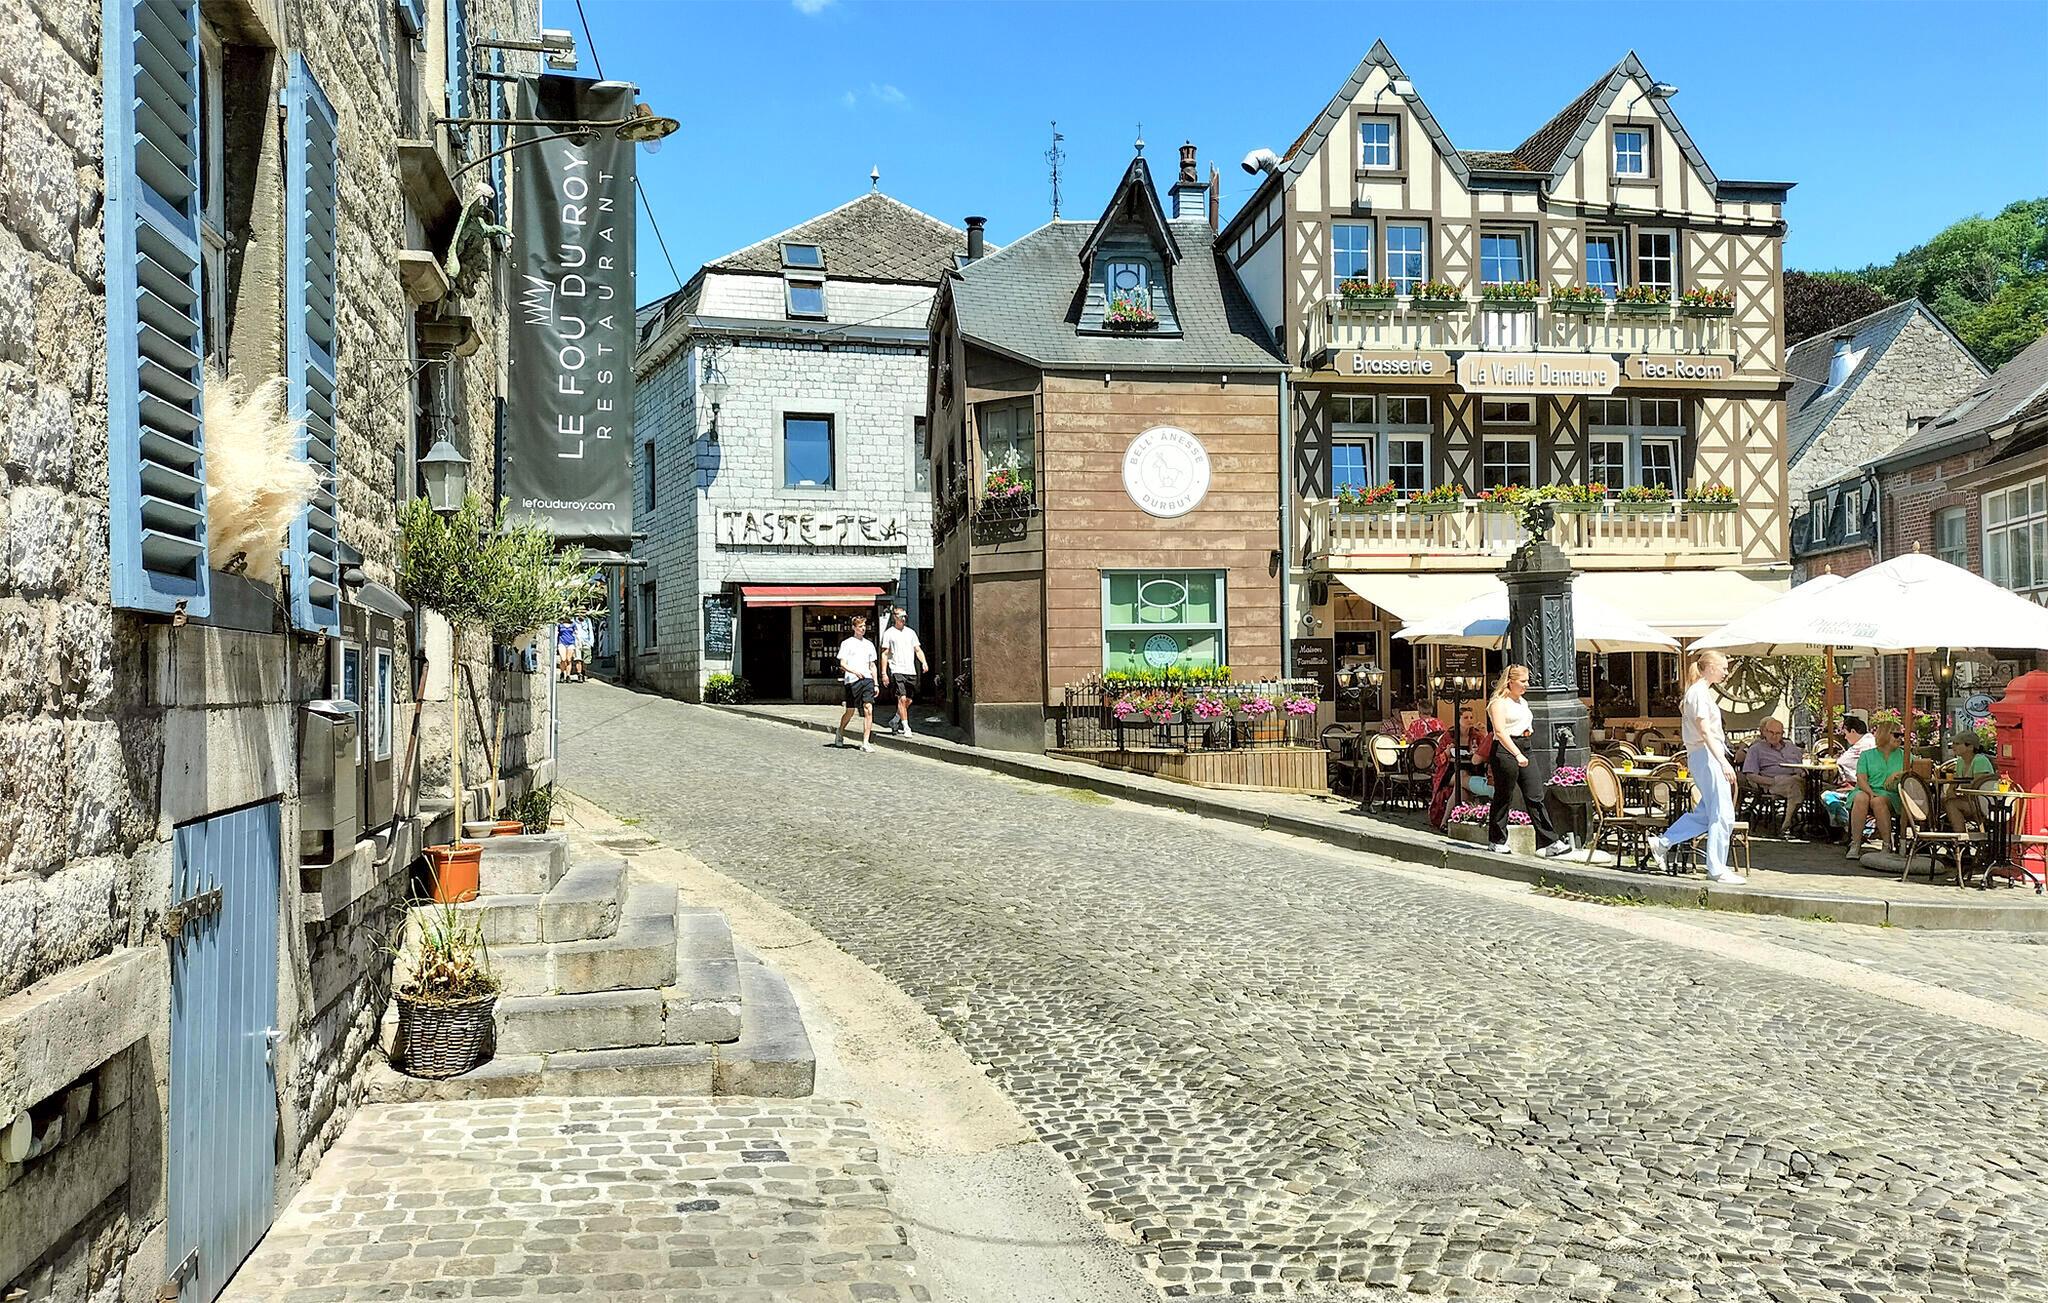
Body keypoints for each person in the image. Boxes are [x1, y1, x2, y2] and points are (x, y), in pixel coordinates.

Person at [1648, 650, 1743, 885]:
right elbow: (1704, 730)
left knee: (1706, 813)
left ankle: (1663, 842)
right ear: (1710, 667)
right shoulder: (1699, 692)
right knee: (1722, 812)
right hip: (1707, 755)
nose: (1726, 672)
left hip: (1703, 755)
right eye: (1723, 667)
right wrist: (1722, 760)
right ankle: (1717, 868)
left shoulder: (1698, 692)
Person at [1484, 665, 1573, 858]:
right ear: (1510, 682)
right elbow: (1500, 731)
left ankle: (1549, 842)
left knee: (1535, 794)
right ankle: (1496, 840)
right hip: (1506, 749)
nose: (1527, 685)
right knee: (1504, 796)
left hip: (1525, 745)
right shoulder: (1498, 703)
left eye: (1527, 681)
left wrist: (1526, 739)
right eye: (1523, 681)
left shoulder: (1522, 701)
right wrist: (1517, 754)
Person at [1845, 720, 1907, 858]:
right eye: (1896, 735)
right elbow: (1861, 778)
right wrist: (1870, 792)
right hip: (1867, 789)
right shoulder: (1867, 755)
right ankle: (1855, 843)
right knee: (1861, 797)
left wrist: (1899, 774)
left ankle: (1886, 844)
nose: (1900, 738)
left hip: (1891, 794)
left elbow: (1914, 773)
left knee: (1879, 801)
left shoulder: (1905, 756)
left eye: (1901, 735)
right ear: (1884, 735)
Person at [1738, 717, 1804, 837]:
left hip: (1797, 778)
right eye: (1771, 732)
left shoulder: (1791, 747)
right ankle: (1786, 827)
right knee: (1795, 785)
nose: (1774, 736)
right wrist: (1772, 781)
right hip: (1773, 782)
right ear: (1764, 732)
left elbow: (1800, 765)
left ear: (1782, 733)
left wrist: (1802, 772)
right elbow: (1750, 775)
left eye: (1778, 733)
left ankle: (1830, 825)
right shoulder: (1756, 749)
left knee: (1823, 788)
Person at [878, 607, 928, 737]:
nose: (904, 619)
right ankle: (906, 727)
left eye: (905, 616)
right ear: (895, 617)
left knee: (908, 700)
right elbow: (884, 653)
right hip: (897, 669)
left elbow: (917, 649)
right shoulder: (889, 633)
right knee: (902, 698)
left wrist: (923, 662)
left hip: (910, 670)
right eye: (901, 616)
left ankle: (895, 720)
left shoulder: (911, 633)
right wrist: (884, 673)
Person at [835, 614, 880, 752]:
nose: (863, 628)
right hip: (852, 680)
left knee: (868, 708)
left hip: (867, 679)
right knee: (850, 710)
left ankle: (865, 742)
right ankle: (840, 731)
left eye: (864, 626)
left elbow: (872, 665)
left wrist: (876, 683)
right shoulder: (847, 643)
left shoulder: (869, 644)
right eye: (860, 626)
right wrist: (854, 672)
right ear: (854, 628)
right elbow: (842, 664)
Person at [1820, 715, 1872, 831]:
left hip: (1859, 789)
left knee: (1826, 795)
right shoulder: (1872, 741)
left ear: (1853, 731)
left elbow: (1842, 761)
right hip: (1873, 788)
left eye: (1846, 733)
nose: (1845, 737)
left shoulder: (1860, 746)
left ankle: (1847, 825)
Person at [1944, 732, 1999, 833]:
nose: (1953, 746)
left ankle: (1961, 836)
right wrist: (1950, 791)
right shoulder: (1960, 762)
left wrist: (1955, 792)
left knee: (1951, 804)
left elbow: (1977, 786)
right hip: (1971, 800)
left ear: (1970, 747)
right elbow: (1954, 783)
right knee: (1943, 801)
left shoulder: (1980, 760)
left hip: (1984, 803)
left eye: (1957, 743)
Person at [572, 614, 594, 682]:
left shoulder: (587, 620)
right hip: (577, 642)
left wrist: (591, 642)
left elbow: (590, 631)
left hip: (586, 641)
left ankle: (584, 671)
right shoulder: (574, 620)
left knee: (586, 660)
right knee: (578, 659)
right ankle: (579, 674)